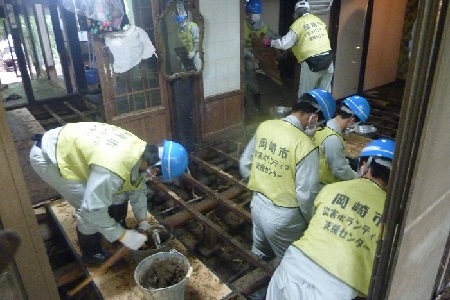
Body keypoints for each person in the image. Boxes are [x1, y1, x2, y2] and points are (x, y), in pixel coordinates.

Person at [29, 122, 188, 266]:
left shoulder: (140, 151)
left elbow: (136, 187)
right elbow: (92, 210)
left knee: (118, 192)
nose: (153, 177)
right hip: (50, 157)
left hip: (75, 147)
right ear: (155, 169)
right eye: (157, 174)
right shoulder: (112, 169)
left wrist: (143, 222)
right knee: (87, 208)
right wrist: (123, 235)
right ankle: (92, 255)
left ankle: (114, 228)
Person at [266, 138, 396, 300]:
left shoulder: (332, 189)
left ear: (365, 165)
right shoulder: (392, 215)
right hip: (336, 289)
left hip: (293, 266)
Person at [239, 89, 336, 262]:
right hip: (283, 217)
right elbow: (306, 194)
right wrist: (310, 220)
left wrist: (263, 182)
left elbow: (245, 164)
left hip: (257, 204)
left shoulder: (265, 126)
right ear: (313, 116)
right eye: (319, 121)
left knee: (260, 253)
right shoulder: (306, 147)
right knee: (288, 263)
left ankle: (256, 282)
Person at [263, 0, 334, 98]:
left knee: (305, 95)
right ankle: (322, 112)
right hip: (328, 62)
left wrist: (270, 42)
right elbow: (309, 41)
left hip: (312, 64)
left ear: (296, 13)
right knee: (324, 95)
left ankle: (302, 112)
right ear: (308, 10)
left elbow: (284, 44)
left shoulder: (298, 23)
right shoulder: (317, 20)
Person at [312, 95, 371, 189]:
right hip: (323, 185)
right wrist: (358, 179)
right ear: (352, 120)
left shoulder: (323, 126)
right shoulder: (332, 139)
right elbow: (340, 169)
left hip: (313, 178)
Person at [244, 0, 278, 113]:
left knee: (253, 81)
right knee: (244, 83)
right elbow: (238, 46)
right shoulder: (242, 25)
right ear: (248, 13)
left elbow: (273, 36)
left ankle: (258, 108)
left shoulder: (263, 26)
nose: (256, 16)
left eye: (258, 13)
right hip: (243, 56)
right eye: (254, 13)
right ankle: (242, 110)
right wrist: (250, 55)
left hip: (256, 56)